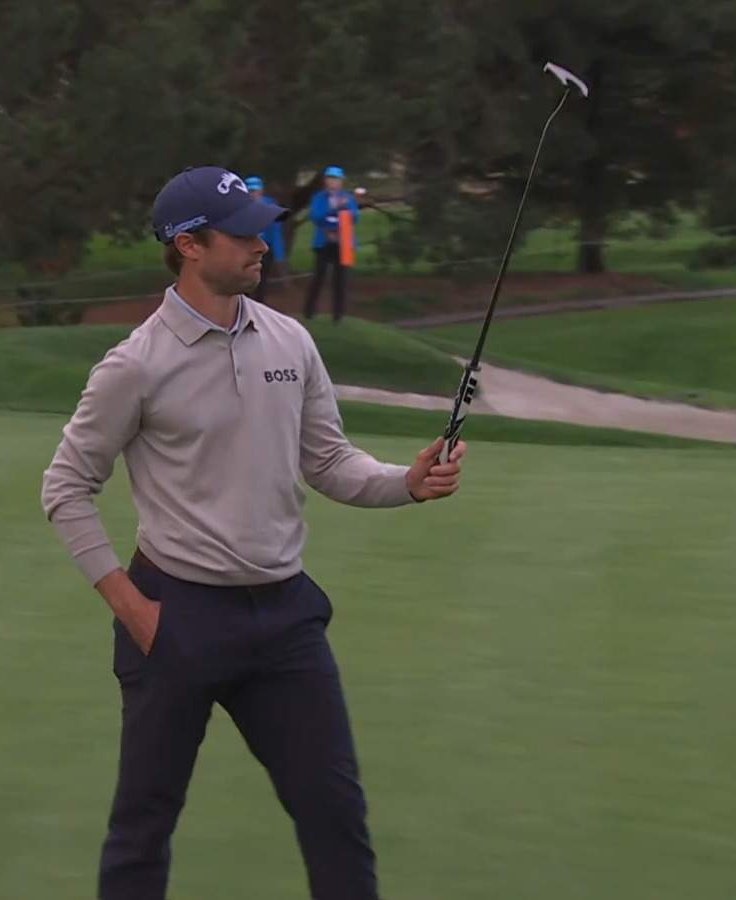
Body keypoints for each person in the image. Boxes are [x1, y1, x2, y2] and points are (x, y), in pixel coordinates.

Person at [40, 164, 467, 900]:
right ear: (190, 245)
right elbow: (65, 487)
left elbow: (329, 460)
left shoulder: (291, 341)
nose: (262, 243)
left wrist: (407, 482)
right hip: (176, 616)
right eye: (243, 234)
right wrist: (134, 609)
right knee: (144, 824)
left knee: (335, 814)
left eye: (261, 229)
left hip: (284, 621)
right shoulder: (134, 366)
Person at [304, 164, 359, 323]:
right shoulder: (319, 197)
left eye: (335, 179)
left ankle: (338, 315)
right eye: (329, 178)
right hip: (323, 241)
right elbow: (316, 217)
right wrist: (332, 209)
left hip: (345, 241)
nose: (332, 182)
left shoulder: (348, 197)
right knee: (319, 276)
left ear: (341, 181)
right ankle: (309, 312)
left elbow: (354, 217)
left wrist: (343, 208)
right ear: (325, 181)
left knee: (341, 280)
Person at [244, 175, 286, 302]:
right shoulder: (240, 207)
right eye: (250, 191)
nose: (253, 194)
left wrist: (279, 257)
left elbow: (276, 231)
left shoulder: (269, 205)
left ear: (261, 191)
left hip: (265, 248)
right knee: (244, 281)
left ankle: (259, 309)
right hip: (245, 248)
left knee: (261, 282)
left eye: (255, 190)